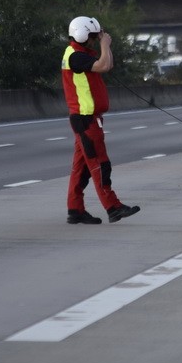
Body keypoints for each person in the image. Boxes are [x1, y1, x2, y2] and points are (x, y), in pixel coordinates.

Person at [61, 16, 140, 225]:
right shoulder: (76, 56)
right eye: (92, 37)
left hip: (85, 119)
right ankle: (113, 207)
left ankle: (75, 210)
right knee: (99, 164)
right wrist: (105, 44)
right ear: (82, 35)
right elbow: (104, 66)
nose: (95, 41)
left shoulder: (80, 53)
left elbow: (108, 64)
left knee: (81, 168)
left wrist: (106, 45)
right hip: (86, 120)